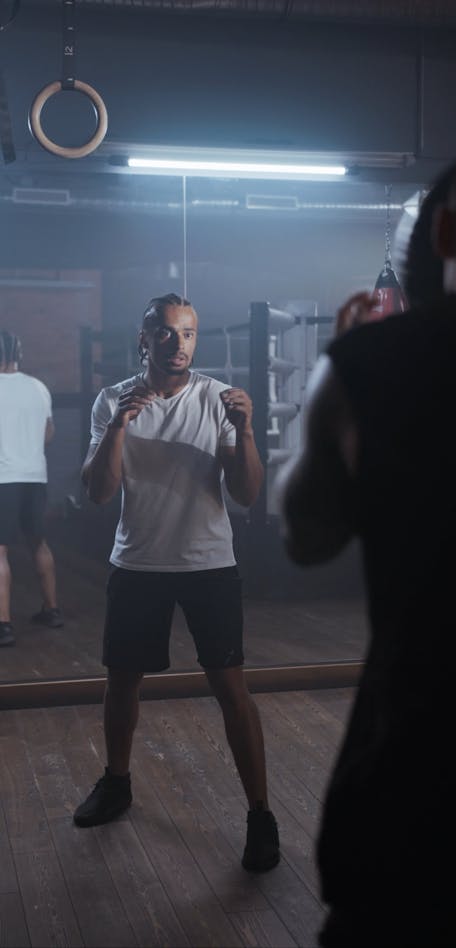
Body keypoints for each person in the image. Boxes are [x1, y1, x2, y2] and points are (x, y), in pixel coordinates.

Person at [278, 135, 456, 946]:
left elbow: (306, 535)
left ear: (440, 238)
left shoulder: (374, 362)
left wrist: (335, 376)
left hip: (419, 792)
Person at [73, 292, 280, 873]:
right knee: (122, 682)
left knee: (232, 688)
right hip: (137, 562)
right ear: (144, 338)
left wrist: (247, 432)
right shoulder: (112, 399)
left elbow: (245, 494)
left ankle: (260, 814)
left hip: (208, 563)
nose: (178, 344)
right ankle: (117, 782)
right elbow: (98, 492)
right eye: (166, 333)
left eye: (187, 334)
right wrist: (118, 425)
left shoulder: (219, 399)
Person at [0, 329, 63, 647]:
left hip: (3, 478)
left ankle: (3, 625)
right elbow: (48, 432)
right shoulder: (37, 387)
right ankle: (51, 610)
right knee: (39, 543)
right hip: (34, 476)